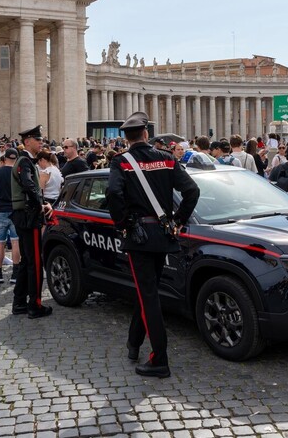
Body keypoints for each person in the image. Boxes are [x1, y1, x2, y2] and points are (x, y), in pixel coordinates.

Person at [107, 112, 200, 378]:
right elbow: (192, 191)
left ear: (126, 138)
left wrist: (122, 223)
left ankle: (159, 359)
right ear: (146, 134)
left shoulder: (121, 162)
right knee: (147, 290)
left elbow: (113, 193)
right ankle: (134, 343)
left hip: (139, 236)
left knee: (149, 295)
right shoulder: (168, 158)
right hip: (163, 233)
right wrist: (179, 219)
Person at [11, 126, 54, 318]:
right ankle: (35, 305)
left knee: (27, 260)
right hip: (29, 215)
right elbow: (29, 185)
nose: (41, 142)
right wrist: (42, 204)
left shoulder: (25, 160)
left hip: (24, 215)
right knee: (35, 262)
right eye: (38, 139)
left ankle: (19, 302)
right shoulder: (25, 161)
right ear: (27, 141)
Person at [0, 148, 21, 284]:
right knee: (15, 242)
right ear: (16, 159)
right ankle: (15, 274)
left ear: (4, 158)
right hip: (15, 210)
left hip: (0, 210)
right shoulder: (18, 173)